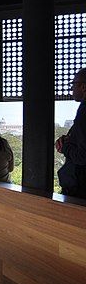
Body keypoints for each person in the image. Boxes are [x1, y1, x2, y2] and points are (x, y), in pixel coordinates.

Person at [56, 68, 86, 199]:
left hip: (79, 187)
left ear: (83, 86)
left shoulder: (84, 112)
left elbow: (82, 155)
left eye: (73, 84)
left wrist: (65, 147)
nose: (71, 89)